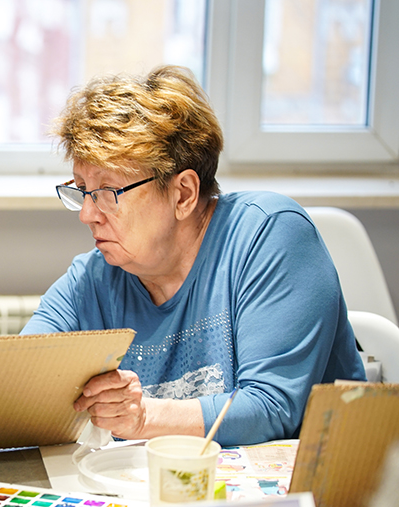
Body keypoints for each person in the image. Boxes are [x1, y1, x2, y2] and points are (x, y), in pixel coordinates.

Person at [21, 65, 366, 446]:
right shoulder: (92, 280)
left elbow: (273, 407)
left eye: (109, 192)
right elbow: (15, 386)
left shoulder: (270, 235)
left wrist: (144, 416)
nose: (87, 214)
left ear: (183, 193)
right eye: (82, 190)